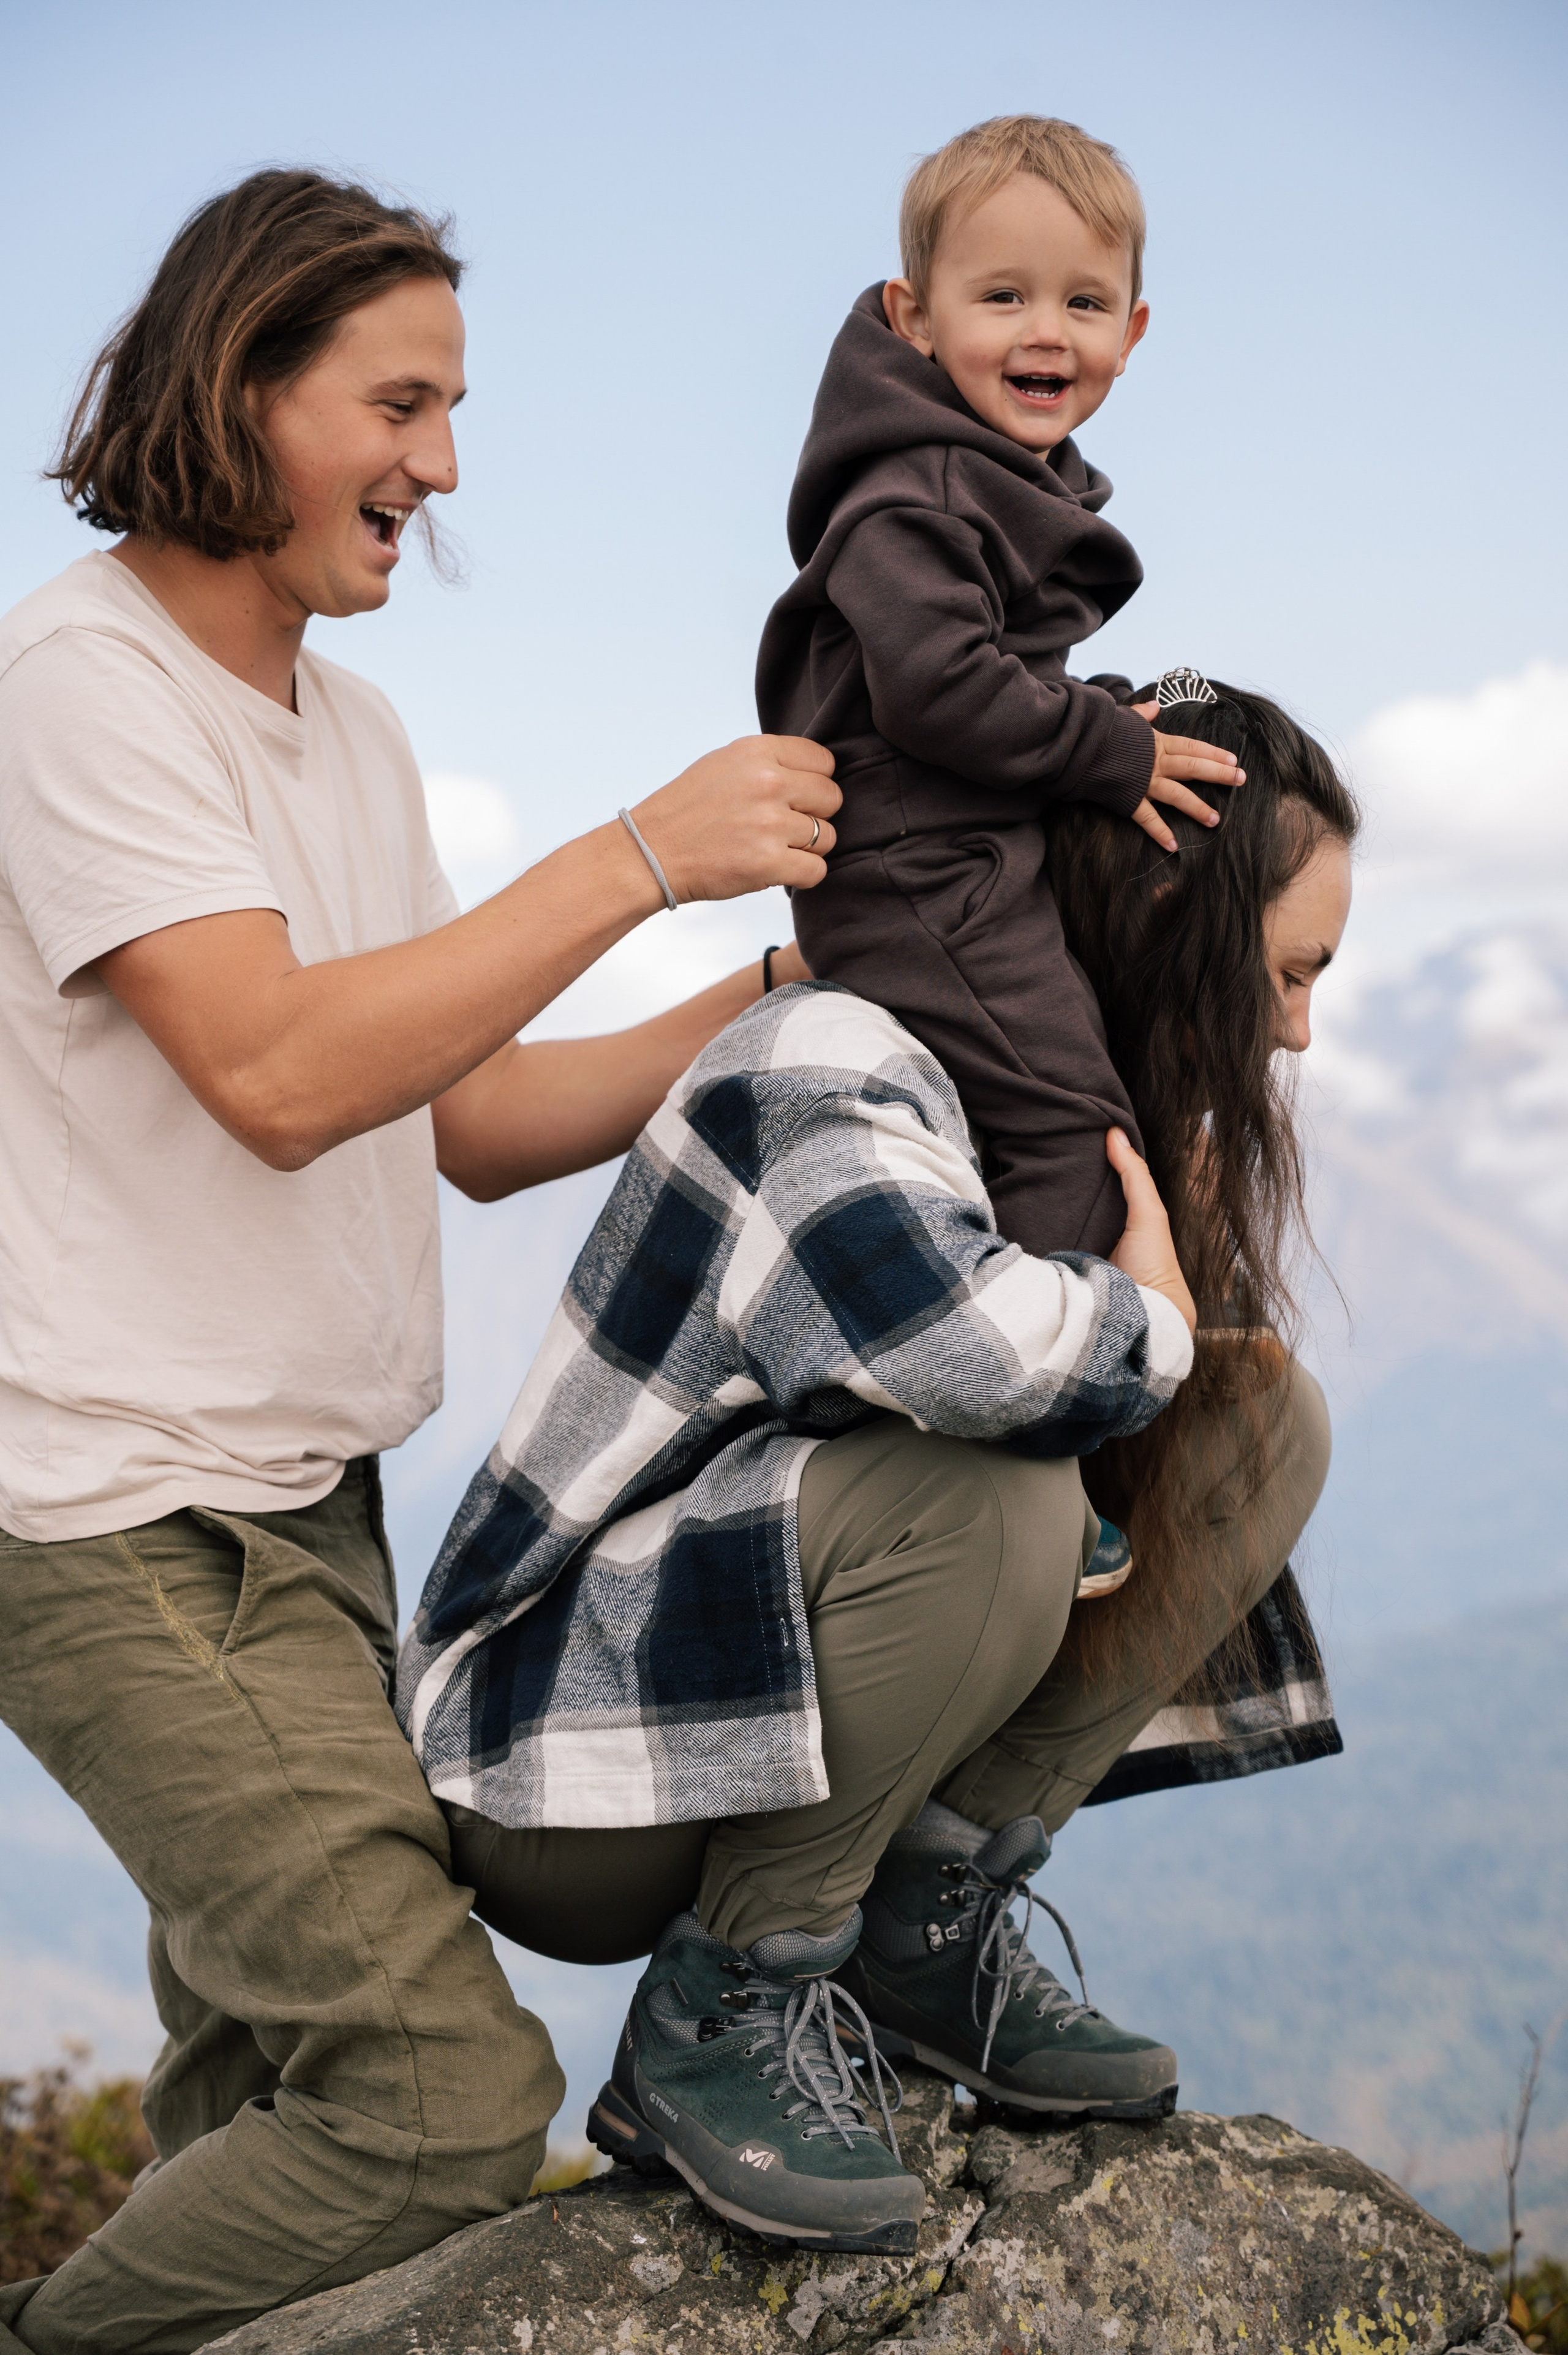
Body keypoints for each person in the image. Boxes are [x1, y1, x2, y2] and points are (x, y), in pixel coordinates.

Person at [0, 169, 839, 2355]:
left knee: (253, 2107)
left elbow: (461, 1120)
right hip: (118, 1518)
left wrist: (773, 984)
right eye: (401, 404)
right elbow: (278, 1074)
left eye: (453, 411)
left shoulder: (348, 731)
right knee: (437, 2103)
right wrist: (634, 857)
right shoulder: (78, 686)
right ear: (239, 386)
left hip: (312, 1508)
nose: (442, 468)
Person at [398, 677, 1357, 2255]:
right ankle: (723, 2007)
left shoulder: (1060, 1106)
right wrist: (1148, 1312)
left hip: (752, 1700)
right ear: (1167, 919)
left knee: (1260, 1420)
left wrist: (1159, 1337)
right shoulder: (837, 1050)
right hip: (561, 1760)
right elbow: (963, 1358)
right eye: (1288, 972)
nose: (1296, 1029)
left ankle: (916, 1920)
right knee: (999, 1473)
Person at [756, 115, 1245, 1263]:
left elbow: (1015, 675)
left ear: (1131, 332)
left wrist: (1151, 702)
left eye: (1082, 304)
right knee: (1073, 1123)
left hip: (967, 847)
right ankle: (1037, 1367)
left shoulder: (989, 475)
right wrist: (1112, 752)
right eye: (1003, 298)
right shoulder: (912, 497)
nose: (1046, 332)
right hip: (918, 872)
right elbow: (937, 688)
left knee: (1063, 1079)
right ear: (913, 317)